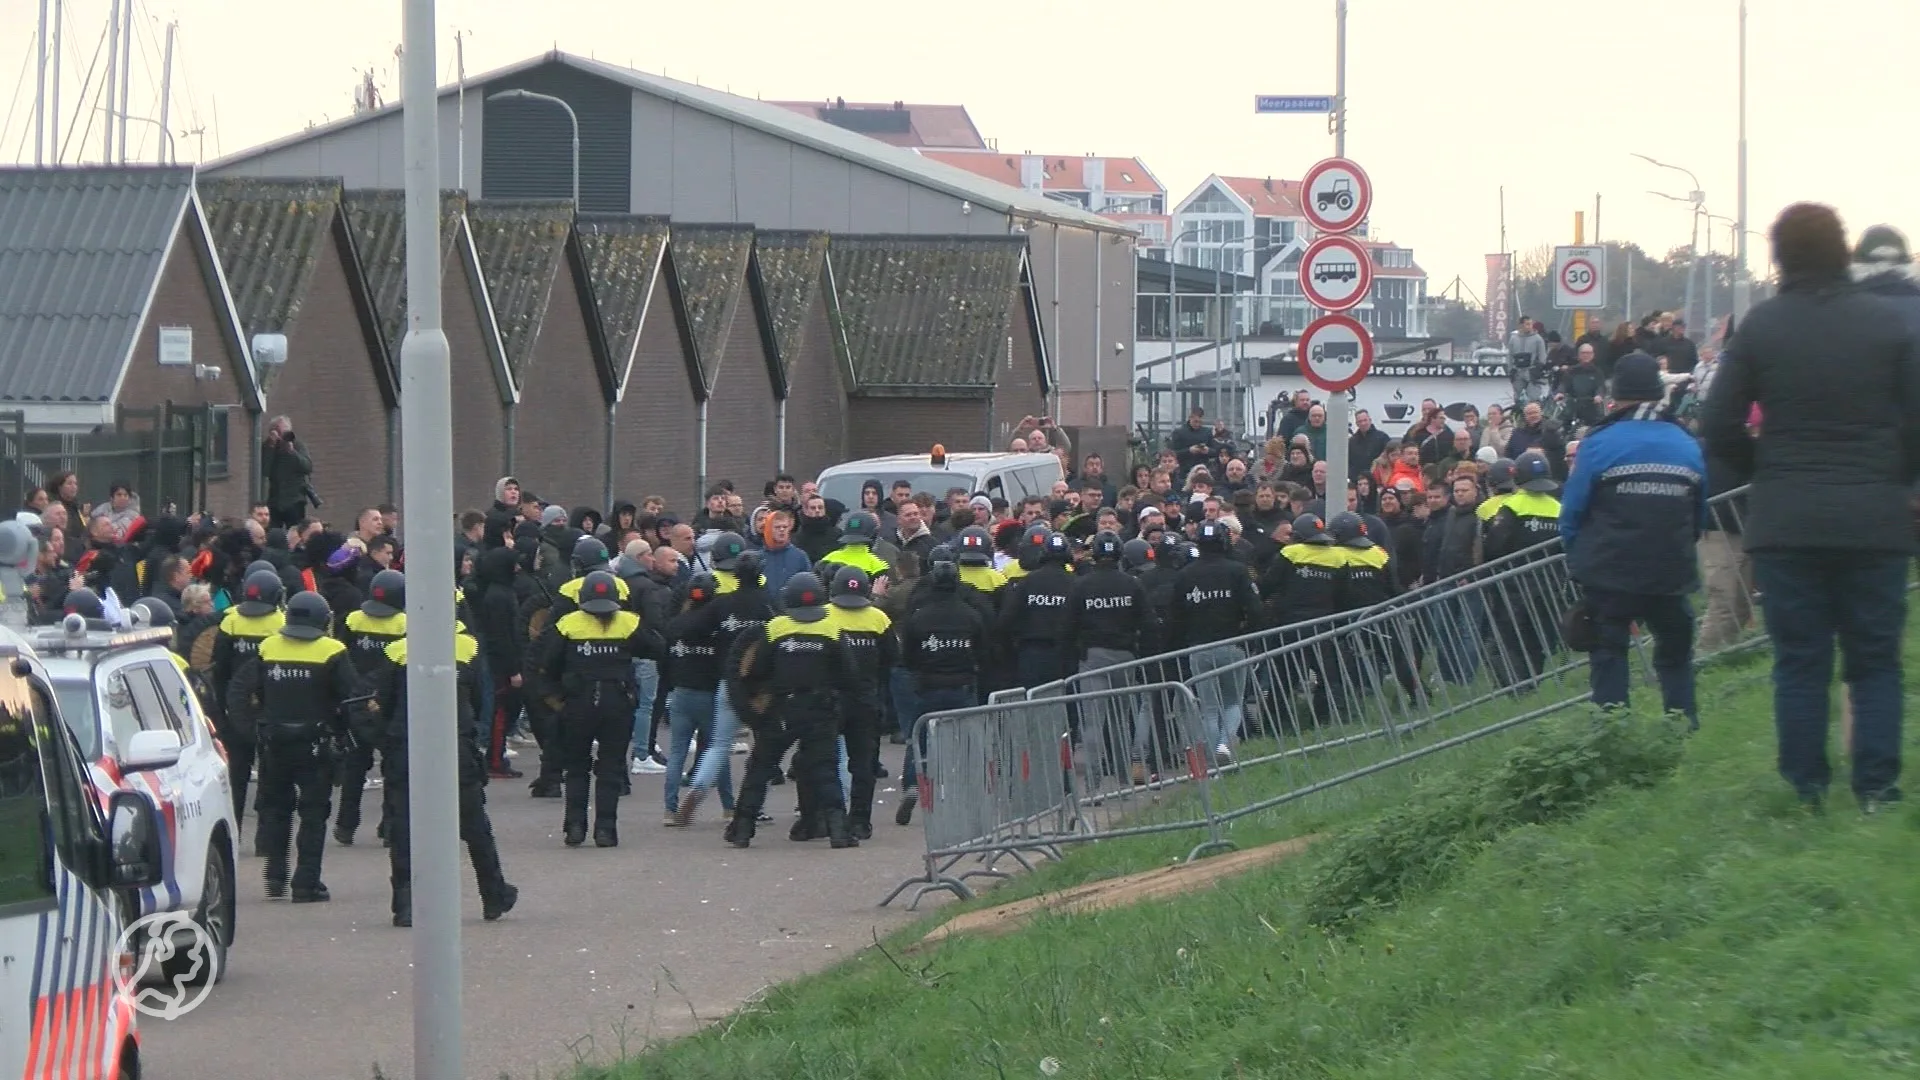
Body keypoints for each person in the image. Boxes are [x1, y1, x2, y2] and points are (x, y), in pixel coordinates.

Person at [1702, 205, 1920, 810]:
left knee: (1800, 663)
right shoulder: (1886, 325)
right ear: (1841, 251)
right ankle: (1877, 789)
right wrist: (1899, 480)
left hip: (1786, 520)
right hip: (1875, 521)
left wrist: (1765, 471)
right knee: (1874, 662)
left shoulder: (1763, 328)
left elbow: (1717, 423)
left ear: (1780, 257)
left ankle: (1807, 792)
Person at [1560, 351, 1706, 730]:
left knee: (1609, 654)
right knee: (1675, 656)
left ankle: (1613, 738)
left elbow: (1572, 514)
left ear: (1616, 395)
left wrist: (1580, 562)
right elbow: (1699, 514)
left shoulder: (1599, 442)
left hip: (1610, 572)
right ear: (1658, 393)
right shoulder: (1686, 442)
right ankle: (1682, 731)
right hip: (1671, 572)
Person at [372, 611, 517, 926]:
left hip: (407, 749)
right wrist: (472, 735)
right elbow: (482, 700)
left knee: (404, 829)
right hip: (455, 747)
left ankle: (405, 905)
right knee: (474, 826)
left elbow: (381, 702)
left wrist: (389, 741)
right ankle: (493, 895)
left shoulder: (398, 651)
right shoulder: (468, 648)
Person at [227, 591, 370, 902]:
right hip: (316, 746)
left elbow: (243, 691)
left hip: (274, 744)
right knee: (313, 813)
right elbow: (352, 698)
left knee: (277, 810)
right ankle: (306, 883)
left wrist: (252, 730)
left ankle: (275, 878)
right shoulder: (333, 651)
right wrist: (351, 736)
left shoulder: (268, 647)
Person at [725, 573, 859, 849]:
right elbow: (849, 673)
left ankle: (742, 828)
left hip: (782, 708)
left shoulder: (775, 628)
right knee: (825, 770)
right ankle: (838, 831)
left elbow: (757, 668)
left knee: (760, 769)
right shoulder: (832, 629)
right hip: (819, 709)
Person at [536, 570, 662, 847]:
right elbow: (657, 648)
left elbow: (547, 666)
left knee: (577, 767)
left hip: (578, 705)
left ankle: (575, 828)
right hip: (618, 704)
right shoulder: (628, 623)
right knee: (610, 768)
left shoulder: (567, 624)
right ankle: (606, 830)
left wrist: (557, 703)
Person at [892, 559, 988, 825]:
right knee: (968, 742)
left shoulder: (919, 616)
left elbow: (908, 656)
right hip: (962, 686)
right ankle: (971, 794)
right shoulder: (971, 615)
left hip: (929, 687)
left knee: (919, 738)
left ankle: (913, 784)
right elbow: (982, 650)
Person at [1169, 520, 1264, 763]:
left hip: (1199, 648)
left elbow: (1176, 617)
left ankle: (1212, 763)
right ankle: (1224, 745)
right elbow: (1255, 609)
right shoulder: (1237, 570)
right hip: (1233, 644)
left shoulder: (1184, 575)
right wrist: (1250, 637)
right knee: (1233, 702)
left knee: (1208, 708)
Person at [209, 568, 287, 843]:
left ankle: (233, 834)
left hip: (235, 709)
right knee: (270, 774)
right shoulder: (282, 621)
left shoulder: (229, 620)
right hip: (271, 709)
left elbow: (218, 669)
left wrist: (221, 708)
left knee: (236, 778)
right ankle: (265, 838)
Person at [821, 566, 897, 841]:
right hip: (866, 699)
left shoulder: (825, 616)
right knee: (863, 764)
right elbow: (892, 657)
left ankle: (831, 817)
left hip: (831, 698)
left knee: (826, 760)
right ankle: (860, 821)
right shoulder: (878, 619)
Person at [335, 568, 408, 847]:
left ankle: (345, 825)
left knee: (354, 767)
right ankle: (389, 826)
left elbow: (341, 656)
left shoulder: (354, 620)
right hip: (389, 704)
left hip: (356, 702)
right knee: (394, 768)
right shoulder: (405, 623)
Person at [261, 415, 315, 529]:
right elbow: (265, 470)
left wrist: (292, 452)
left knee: (296, 531)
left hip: (295, 499)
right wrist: (271, 446)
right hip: (275, 500)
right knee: (274, 531)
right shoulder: (269, 446)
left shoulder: (297, 445)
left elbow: (307, 467)